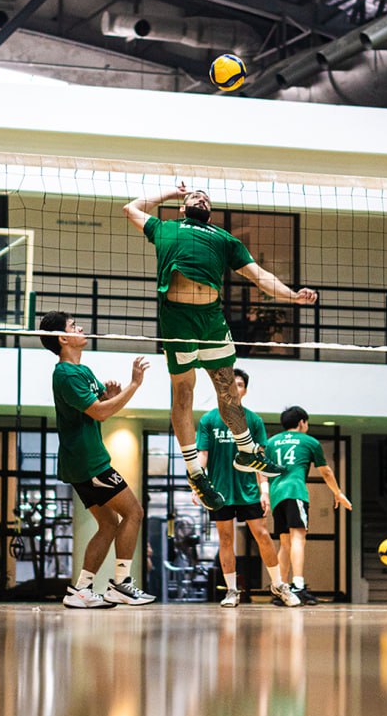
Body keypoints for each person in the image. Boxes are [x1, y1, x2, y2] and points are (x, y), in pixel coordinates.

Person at [123, 184, 317, 511]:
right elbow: (130, 208)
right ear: (183, 209)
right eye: (193, 197)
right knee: (183, 391)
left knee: (227, 389)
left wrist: (291, 294)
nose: (200, 197)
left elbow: (260, 276)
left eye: (205, 197)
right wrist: (172, 193)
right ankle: (196, 473)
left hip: (211, 318)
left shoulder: (224, 239)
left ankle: (246, 452)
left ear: (210, 210)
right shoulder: (165, 228)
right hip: (178, 319)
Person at [40, 310, 156, 609]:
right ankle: (121, 584)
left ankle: (80, 589)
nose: (81, 328)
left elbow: (100, 405)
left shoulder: (83, 371)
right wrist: (134, 385)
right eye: (73, 326)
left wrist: (110, 395)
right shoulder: (65, 375)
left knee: (108, 524)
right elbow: (101, 413)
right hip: (88, 462)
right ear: (63, 338)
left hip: (85, 461)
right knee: (134, 513)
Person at [195, 368, 300, 608]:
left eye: (239, 384)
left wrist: (264, 489)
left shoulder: (253, 420)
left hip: (248, 490)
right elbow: (202, 455)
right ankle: (232, 590)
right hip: (219, 491)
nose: (234, 388)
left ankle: (279, 585)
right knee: (225, 539)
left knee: (262, 536)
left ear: (244, 390)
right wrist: (197, 485)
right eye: (231, 384)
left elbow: (260, 458)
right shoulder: (208, 420)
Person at [264, 405, 351, 605]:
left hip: (277, 494)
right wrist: (337, 493)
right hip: (295, 491)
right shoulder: (309, 441)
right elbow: (326, 472)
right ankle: (298, 585)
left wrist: (265, 492)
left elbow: (263, 470)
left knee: (285, 543)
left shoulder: (271, 442)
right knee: (298, 538)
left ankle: (280, 588)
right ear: (302, 422)